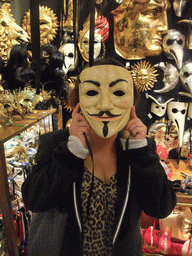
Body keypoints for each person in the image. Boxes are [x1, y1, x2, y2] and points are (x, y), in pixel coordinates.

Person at [22, 58, 176, 255]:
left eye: (118, 92)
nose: (104, 104)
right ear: (78, 100)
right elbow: (34, 200)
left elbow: (161, 208)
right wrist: (72, 151)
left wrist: (140, 151)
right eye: (92, 92)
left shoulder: (139, 149)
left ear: (132, 101)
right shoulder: (55, 144)